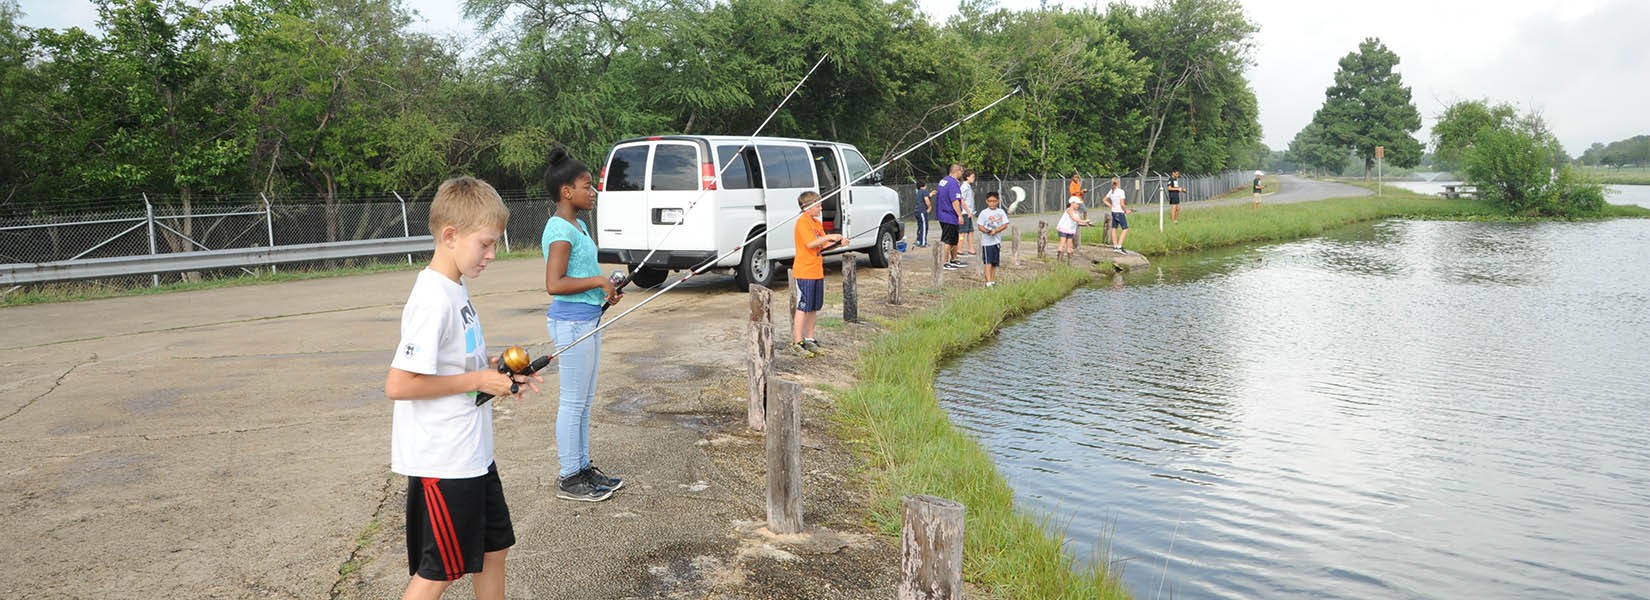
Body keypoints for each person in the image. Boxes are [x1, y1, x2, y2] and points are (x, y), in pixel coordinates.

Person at [385, 176, 535, 599]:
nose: (491, 255)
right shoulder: (432, 298)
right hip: (444, 460)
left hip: (472, 454)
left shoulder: (456, 285)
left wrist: (493, 368)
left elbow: (450, 362)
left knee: (494, 549)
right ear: (450, 236)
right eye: (485, 244)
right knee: (441, 570)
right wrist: (476, 380)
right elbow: (399, 383)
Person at [541, 146, 625, 503]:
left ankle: (583, 467)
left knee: (585, 401)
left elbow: (582, 276)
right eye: (587, 186)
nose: (592, 192)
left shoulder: (579, 225)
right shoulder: (560, 228)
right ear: (566, 192)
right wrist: (597, 282)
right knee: (573, 403)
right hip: (571, 325)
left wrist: (606, 290)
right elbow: (555, 284)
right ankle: (568, 476)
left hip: (587, 319)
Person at [791, 190, 842, 357]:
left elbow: (823, 246)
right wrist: (831, 236)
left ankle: (809, 339)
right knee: (803, 306)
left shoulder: (816, 223)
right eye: (818, 205)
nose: (821, 208)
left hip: (816, 271)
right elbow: (812, 243)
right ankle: (797, 342)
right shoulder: (802, 222)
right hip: (804, 270)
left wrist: (838, 243)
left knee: (814, 306)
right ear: (808, 207)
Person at [975, 191, 1009, 287]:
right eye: (990, 201)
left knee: (994, 262)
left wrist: (996, 231)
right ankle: (988, 282)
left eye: (994, 201)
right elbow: (980, 226)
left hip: (996, 241)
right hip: (987, 242)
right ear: (987, 201)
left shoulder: (1001, 212)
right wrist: (988, 231)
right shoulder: (984, 213)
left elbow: (1005, 224)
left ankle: (993, 280)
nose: (992, 203)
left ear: (997, 201)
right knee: (988, 262)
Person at [934, 164, 964, 270]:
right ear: (957, 171)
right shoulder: (953, 184)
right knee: (948, 239)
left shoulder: (943, 181)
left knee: (954, 238)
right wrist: (960, 215)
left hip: (942, 213)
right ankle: (944, 261)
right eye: (961, 172)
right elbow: (955, 200)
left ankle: (954, 259)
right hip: (949, 215)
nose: (962, 174)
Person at [1055, 195, 1090, 260]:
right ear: (1072, 203)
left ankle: (1069, 262)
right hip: (1063, 229)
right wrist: (1084, 221)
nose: (1078, 205)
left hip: (1070, 230)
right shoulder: (1069, 210)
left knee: (1069, 245)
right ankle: (1059, 260)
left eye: (1078, 204)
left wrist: (1085, 224)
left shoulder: (1077, 212)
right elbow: (1074, 219)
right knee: (1062, 244)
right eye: (1077, 204)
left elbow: (1078, 222)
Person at [1105, 176, 1131, 252]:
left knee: (1114, 228)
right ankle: (1119, 246)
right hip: (1120, 212)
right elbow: (1122, 204)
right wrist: (1126, 211)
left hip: (1113, 212)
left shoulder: (1111, 191)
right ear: (1118, 183)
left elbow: (1104, 200)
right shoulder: (1121, 191)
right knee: (1125, 229)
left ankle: (1115, 246)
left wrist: (1111, 206)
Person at [958, 170, 977, 256]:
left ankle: (971, 249)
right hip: (965, 212)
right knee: (962, 232)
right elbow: (961, 200)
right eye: (972, 177)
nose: (974, 178)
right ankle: (959, 249)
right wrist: (968, 211)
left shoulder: (968, 186)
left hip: (968, 213)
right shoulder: (964, 187)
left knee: (970, 231)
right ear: (967, 177)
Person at [913, 182, 932, 247]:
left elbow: (924, 197)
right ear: (924, 185)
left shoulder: (918, 192)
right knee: (924, 227)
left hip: (917, 211)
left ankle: (918, 241)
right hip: (922, 211)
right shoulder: (924, 191)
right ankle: (923, 243)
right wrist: (929, 207)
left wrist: (930, 195)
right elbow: (926, 199)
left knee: (920, 226)